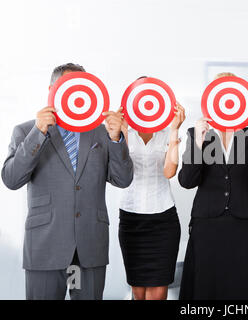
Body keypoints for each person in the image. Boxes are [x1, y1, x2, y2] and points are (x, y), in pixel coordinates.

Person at [1, 63, 133, 300]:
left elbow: (123, 180)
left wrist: (116, 139)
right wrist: (38, 133)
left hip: (89, 247)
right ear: (52, 90)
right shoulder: (26, 131)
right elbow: (11, 179)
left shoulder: (102, 133)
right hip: (45, 247)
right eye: (68, 87)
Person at [178, 72, 248, 300]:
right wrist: (199, 144)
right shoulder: (198, 133)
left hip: (240, 224)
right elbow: (187, 181)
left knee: (241, 288)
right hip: (207, 222)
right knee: (205, 287)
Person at [119, 82, 185, 300]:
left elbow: (169, 172)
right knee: (138, 291)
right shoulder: (123, 130)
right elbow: (121, 171)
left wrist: (175, 129)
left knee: (158, 291)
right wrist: (121, 133)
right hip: (131, 219)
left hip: (163, 219)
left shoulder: (167, 132)